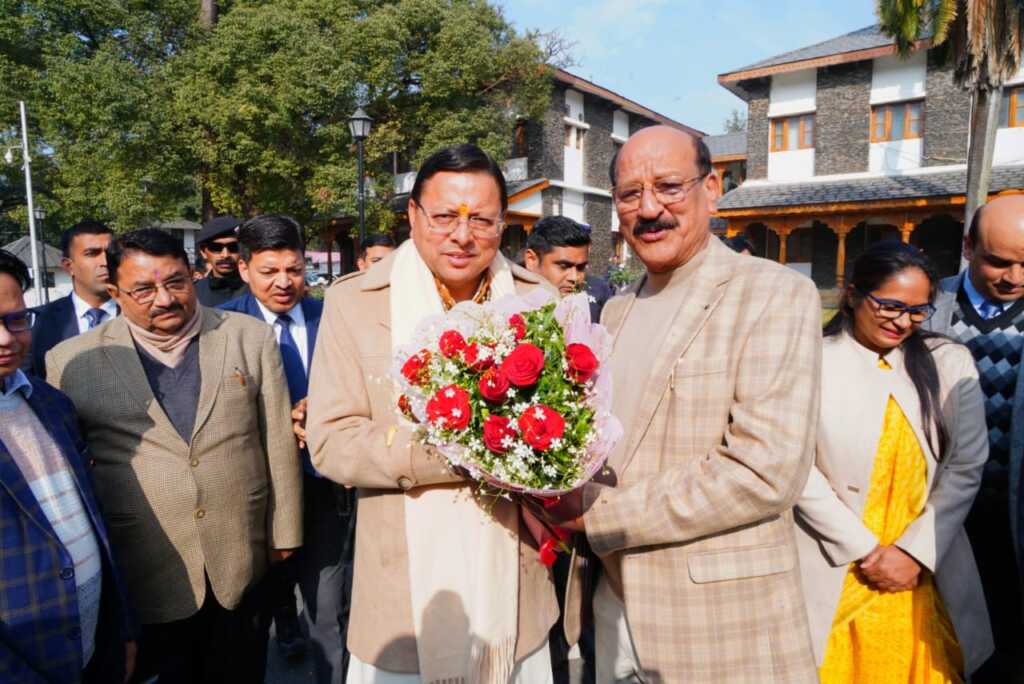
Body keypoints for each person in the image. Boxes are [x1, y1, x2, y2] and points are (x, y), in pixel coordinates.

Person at [546, 126, 822, 682]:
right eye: (630, 194)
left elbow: (763, 472)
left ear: (711, 189)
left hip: (716, 623)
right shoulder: (616, 309)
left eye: (669, 187)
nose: (649, 209)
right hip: (611, 610)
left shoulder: (773, 294)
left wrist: (594, 514)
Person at [305, 144, 558, 683]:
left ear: (504, 222)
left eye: (481, 220)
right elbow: (330, 441)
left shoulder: (539, 301)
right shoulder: (356, 302)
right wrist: (469, 450)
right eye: (444, 216)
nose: (462, 235)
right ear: (413, 215)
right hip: (401, 588)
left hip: (512, 585)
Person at [45, 228, 302, 683]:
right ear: (115, 293)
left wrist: (285, 532)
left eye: (176, 282)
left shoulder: (248, 337)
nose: (165, 299)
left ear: (192, 275)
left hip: (239, 555)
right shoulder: (71, 362)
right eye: (144, 290)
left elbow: (276, 440)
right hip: (144, 565)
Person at [796, 241, 992, 682]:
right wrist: (866, 549)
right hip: (836, 559)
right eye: (890, 306)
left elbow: (966, 465)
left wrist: (913, 552)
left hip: (922, 566)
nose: (903, 322)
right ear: (852, 294)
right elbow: (797, 467)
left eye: (918, 311)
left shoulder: (948, 361)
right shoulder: (810, 360)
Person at [221, 214, 356, 684]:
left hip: (323, 490)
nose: (284, 282)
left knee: (326, 611)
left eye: (294, 270)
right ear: (244, 269)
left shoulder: (333, 317)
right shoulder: (221, 328)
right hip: (254, 495)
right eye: (269, 271)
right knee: (249, 618)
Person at [0, 249, 136, 683]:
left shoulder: (50, 402)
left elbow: (95, 525)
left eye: (15, 320)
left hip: (93, 647)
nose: (5, 339)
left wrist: (122, 630)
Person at [924, 195, 1024, 681]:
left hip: (1013, 508)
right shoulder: (925, 306)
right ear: (968, 247)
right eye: (999, 262)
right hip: (936, 508)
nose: (1014, 277)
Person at [28, 220, 117, 378]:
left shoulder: (141, 314)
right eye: (92, 253)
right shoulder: (38, 322)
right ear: (68, 266)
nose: (105, 262)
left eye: (110, 253)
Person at [194, 215, 248, 306]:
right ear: (203, 252)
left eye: (233, 247)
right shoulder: (194, 292)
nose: (225, 255)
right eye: (216, 248)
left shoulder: (257, 289)